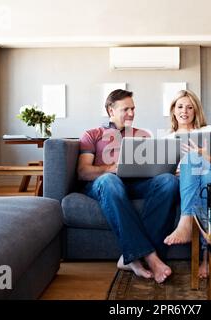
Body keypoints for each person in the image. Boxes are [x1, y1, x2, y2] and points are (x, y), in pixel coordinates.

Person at [78, 89, 178, 284]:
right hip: (105, 184)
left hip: (136, 183)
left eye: (133, 109)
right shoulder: (92, 135)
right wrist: (110, 168)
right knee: (110, 180)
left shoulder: (143, 135)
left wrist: (166, 168)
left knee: (168, 181)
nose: (131, 113)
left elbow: (153, 167)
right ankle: (150, 258)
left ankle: (132, 257)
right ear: (110, 111)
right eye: (126, 109)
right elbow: (83, 172)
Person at [163, 89, 211, 278]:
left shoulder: (209, 131)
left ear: (196, 111)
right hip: (194, 183)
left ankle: (186, 220)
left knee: (205, 173)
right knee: (204, 182)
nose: (185, 111)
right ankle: (208, 256)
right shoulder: (167, 138)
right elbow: (163, 173)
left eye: (190, 107)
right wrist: (180, 170)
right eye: (180, 106)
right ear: (174, 110)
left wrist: (199, 154)